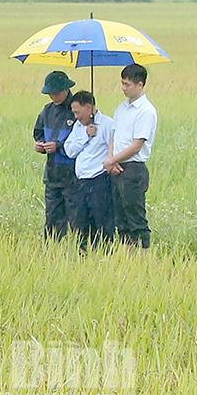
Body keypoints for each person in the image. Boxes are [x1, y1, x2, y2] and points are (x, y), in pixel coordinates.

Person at [104, 63, 158, 251]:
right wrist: (111, 158)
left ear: (140, 84)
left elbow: (137, 145)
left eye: (127, 84)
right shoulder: (121, 108)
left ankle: (142, 256)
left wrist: (113, 160)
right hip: (117, 168)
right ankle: (127, 255)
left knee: (135, 216)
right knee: (121, 217)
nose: (123, 88)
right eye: (122, 83)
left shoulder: (146, 111)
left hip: (133, 169)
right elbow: (115, 136)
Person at [63, 90, 116, 253]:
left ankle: (106, 253)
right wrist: (86, 135)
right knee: (80, 221)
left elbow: (113, 149)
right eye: (74, 112)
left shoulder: (108, 124)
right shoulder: (78, 127)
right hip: (80, 182)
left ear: (89, 108)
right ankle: (83, 253)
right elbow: (69, 150)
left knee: (102, 221)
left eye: (78, 112)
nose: (76, 116)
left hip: (99, 180)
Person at [32, 70, 79, 240]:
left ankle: (82, 251)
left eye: (56, 93)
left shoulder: (77, 110)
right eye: (50, 93)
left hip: (74, 175)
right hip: (53, 174)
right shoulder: (47, 111)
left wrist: (59, 146)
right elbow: (38, 132)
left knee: (76, 217)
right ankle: (52, 250)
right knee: (52, 217)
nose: (53, 97)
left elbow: (82, 140)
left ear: (66, 90)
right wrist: (40, 144)